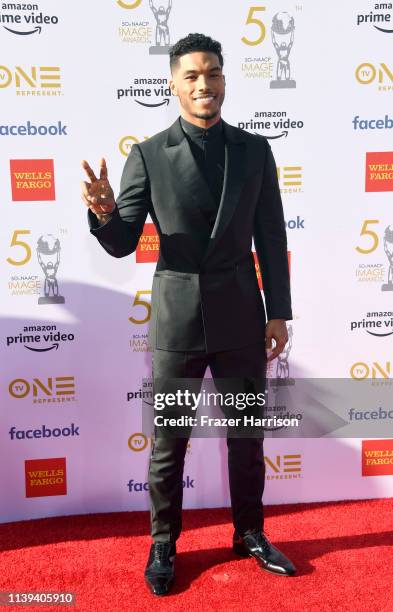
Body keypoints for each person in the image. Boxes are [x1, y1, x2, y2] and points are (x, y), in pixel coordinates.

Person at [82, 33, 296, 596]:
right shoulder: (149, 154)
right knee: (169, 440)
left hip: (243, 318)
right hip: (178, 321)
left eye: (215, 74)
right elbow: (125, 240)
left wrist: (279, 313)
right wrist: (104, 211)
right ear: (173, 85)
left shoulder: (255, 150)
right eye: (193, 76)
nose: (206, 85)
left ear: (225, 79)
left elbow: (271, 238)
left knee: (247, 435)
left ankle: (249, 532)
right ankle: (163, 543)